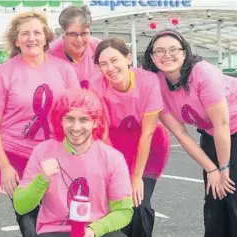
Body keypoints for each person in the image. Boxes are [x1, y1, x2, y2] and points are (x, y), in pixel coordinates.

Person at [0, 11, 80, 237]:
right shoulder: (4, 72)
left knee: (62, 217)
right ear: (16, 40)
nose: (31, 38)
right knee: (29, 221)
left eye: (37, 32)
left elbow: (78, 113)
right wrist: (4, 166)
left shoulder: (64, 69)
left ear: (46, 37)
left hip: (57, 154)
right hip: (16, 155)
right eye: (25, 34)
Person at [142, 28, 237, 237]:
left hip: (232, 127)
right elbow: (182, 134)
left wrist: (224, 167)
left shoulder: (201, 73)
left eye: (173, 49)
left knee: (232, 194)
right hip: (212, 134)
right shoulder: (155, 84)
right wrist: (212, 169)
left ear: (184, 52)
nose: (167, 55)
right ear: (152, 56)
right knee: (215, 196)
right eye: (160, 51)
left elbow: (221, 123)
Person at [13, 88, 133, 237]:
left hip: (95, 229)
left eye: (84, 120)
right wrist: (42, 180)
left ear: (95, 122)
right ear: (60, 120)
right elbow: (21, 206)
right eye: (69, 119)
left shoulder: (113, 158)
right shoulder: (43, 151)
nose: (76, 127)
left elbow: (124, 211)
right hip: (54, 230)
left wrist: (95, 230)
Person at [91, 37, 170, 237]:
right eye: (103, 64)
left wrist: (136, 177)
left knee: (138, 201)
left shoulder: (148, 81)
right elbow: (104, 134)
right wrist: (119, 171)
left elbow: (148, 133)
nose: (110, 68)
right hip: (115, 146)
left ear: (128, 58)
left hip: (150, 146)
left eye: (114, 60)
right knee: (118, 201)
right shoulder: (96, 86)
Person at [49, 5, 101, 88]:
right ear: (63, 32)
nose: (79, 40)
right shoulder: (50, 55)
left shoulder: (100, 48)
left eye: (84, 33)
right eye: (73, 34)